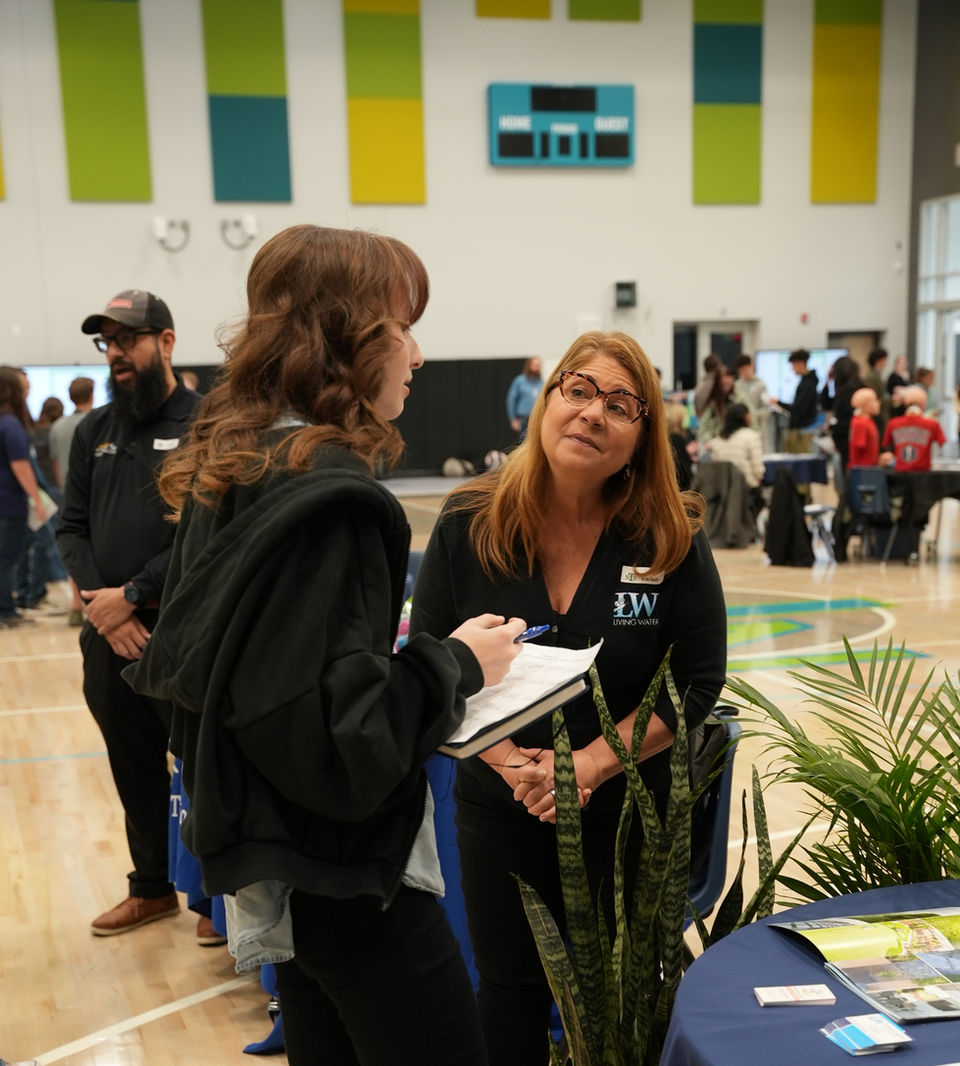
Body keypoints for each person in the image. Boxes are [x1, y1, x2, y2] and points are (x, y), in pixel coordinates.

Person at [126, 224, 525, 1066]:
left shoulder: (240, 463)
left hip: (280, 870)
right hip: (345, 878)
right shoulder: (330, 495)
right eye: (402, 329)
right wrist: (457, 662)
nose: (417, 355)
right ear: (345, 338)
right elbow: (340, 741)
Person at [409, 330, 727, 1066]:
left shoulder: (668, 534)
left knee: (623, 992)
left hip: (626, 813)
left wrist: (589, 762)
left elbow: (698, 682)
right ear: (546, 402)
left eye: (620, 404)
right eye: (577, 390)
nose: (592, 413)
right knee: (510, 988)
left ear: (643, 436)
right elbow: (427, 662)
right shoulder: (469, 520)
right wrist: (509, 762)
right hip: (500, 803)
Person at [56, 289, 204, 937]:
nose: (117, 353)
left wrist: (135, 595)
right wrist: (104, 607)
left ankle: (214, 898)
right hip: (108, 634)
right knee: (131, 758)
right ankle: (151, 888)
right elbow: (71, 528)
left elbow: (207, 532)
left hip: (183, 629)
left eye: (128, 339)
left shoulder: (205, 424)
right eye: (107, 342)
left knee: (202, 764)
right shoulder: (95, 432)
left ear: (166, 343)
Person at [0, 367, 46, 629]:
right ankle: (5, 612)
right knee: (7, 559)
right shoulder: (10, 425)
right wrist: (37, 500)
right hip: (10, 504)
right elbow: (21, 466)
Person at [49, 377, 95, 626]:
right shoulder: (98, 422)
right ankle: (93, 604)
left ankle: (76, 605)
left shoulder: (58, 426)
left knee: (73, 548)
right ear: (92, 394)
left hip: (68, 492)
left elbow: (55, 462)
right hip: (93, 496)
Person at [706, 402, 765, 516]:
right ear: (746, 417)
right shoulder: (752, 437)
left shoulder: (717, 441)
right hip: (747, 492)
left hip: (723, 493)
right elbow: (758, 471)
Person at [881, 385, 945, 471]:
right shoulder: (933, 424)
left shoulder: (893, 423)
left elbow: (885, 446)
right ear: (923, 403)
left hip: (900, 474)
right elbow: (942, 443)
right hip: (923, 475)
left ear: (906, 403)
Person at [781, 349, 819, 453]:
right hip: (799, 429)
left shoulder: (808, 384)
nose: (792, 369)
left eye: (793, 365)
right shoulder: (806, 381)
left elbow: (799, 408)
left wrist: (778, 403)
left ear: (801, 363)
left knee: (799, 462)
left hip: (801, 431)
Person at [733, 353, 772, 450]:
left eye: (745, 370)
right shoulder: (737, 385)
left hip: (756, 429)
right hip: (739, 430)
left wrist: (752, 415)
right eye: (741, 371)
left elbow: (766, 410)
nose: (743, 373)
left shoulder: (760, 385)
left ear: (752, 366)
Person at [695, 364, 735, 446]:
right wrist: (710, 442)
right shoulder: (712, 403)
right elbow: (703, 427)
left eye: (729, 384)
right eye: (723, 384)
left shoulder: (739, 398)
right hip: (716, 443)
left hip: (735, 442)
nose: (726, 387)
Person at [506, 357, 543, 438]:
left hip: (537, 421)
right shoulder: (520, 381)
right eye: (536, 365)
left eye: (539, 365)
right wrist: (513, 419)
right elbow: (511, 400)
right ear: (529, 365)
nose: (538, 368)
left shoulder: (541, 383)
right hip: (523, 421)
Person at [848, 387, 884, 467]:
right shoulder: (860, 423)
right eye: (874, 400)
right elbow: (858, 447)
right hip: (863, 470)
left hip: (869, 467)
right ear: (865, 404)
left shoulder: (867, 421)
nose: (878, 403)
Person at [886, 354, 910, 418]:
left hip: (906, 403)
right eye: (901, 363)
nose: (903, 365)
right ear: (896, 364)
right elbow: (889, 390)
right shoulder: (892, 376)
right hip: (896, 403)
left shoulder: (908, 375)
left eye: (904, 362)